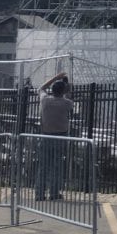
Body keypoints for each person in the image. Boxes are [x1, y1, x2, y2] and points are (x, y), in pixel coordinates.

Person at [36, 72, 73, 201]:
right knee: (57, 166)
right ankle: (54, 193)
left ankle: (39, 194)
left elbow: (41, 88)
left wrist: (56, 78)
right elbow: (68, 95)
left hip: (45, 136)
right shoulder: (67, 103)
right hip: (60, 137)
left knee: (43, 166)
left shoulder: (45, 101)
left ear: (52, 90)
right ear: (63, 91)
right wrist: (66, 84)